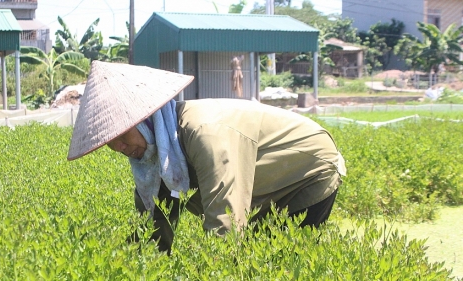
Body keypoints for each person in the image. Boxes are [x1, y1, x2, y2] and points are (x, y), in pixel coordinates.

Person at [68, 61, 346, 254]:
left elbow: (224, 219)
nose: (119, 148)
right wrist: (138, 272)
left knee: (281, 264)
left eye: (122, 135)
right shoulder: (159, 154)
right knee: (254, 261)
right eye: (109, 143)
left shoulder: (204, 135)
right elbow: (154, 221)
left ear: (145, 121)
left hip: (308, 169)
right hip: (266, 182)